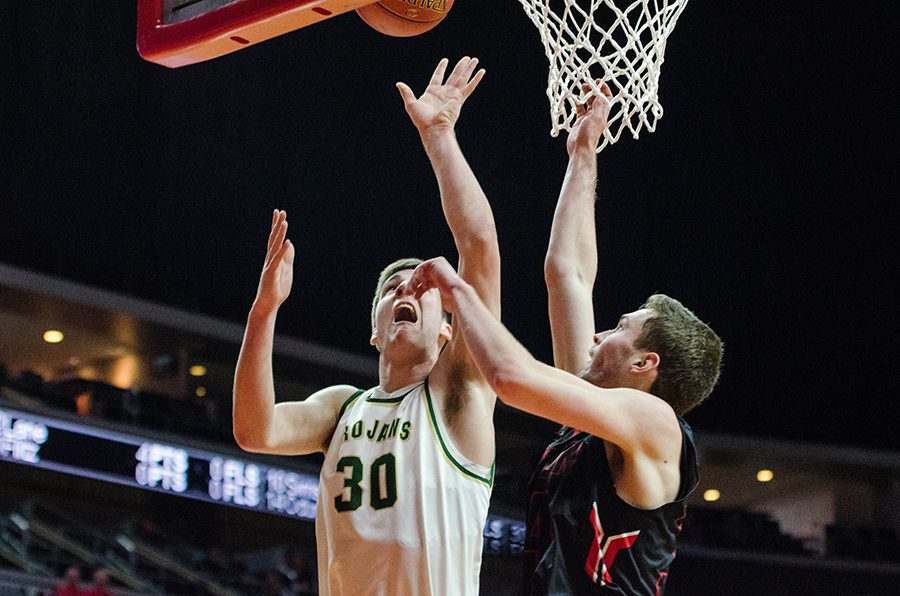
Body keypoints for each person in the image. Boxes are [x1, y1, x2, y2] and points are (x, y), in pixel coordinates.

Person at [406, 82, 723, 595]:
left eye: (620, 328)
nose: (600, 333)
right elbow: (567, 274)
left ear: (646, 364)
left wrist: (460, 290)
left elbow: (511, 377)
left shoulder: (654, 423)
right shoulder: (598, 411)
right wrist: (582, 154)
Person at [233, 56, 500, 595]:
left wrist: (440, 137)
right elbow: (254, 430)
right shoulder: (341, 408)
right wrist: (264, 311)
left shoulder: (458, 392)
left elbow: (479, 248)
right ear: (375, 331)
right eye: (392, 289)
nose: (406, 290)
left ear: (449, 331)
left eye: (420, 289)